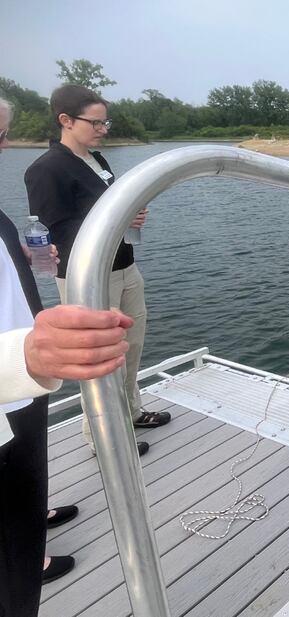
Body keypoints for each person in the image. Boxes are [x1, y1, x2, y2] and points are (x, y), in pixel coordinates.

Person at [1, 96, 133, 617]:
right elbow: (63, 222)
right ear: (67, 120)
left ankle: (34, 520)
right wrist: (27, 356)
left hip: (28, 380)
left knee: (25, 471)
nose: (5, 146)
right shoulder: (46, 168)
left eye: (2, 134)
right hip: (19, 368)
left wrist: (31, 260)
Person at [24, 84, 169, 453]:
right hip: (87, 277)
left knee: (131, 347)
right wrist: (118, 220)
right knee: (101, 360)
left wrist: (130, 216)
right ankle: (103, 438)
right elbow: (57, 230)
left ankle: (132, 412)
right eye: (96, 122)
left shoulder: (97, 159)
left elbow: (110, 207)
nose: (103, 129)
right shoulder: (45, 169)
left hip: (124, 266)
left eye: (106, 122)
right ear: (66, 121)